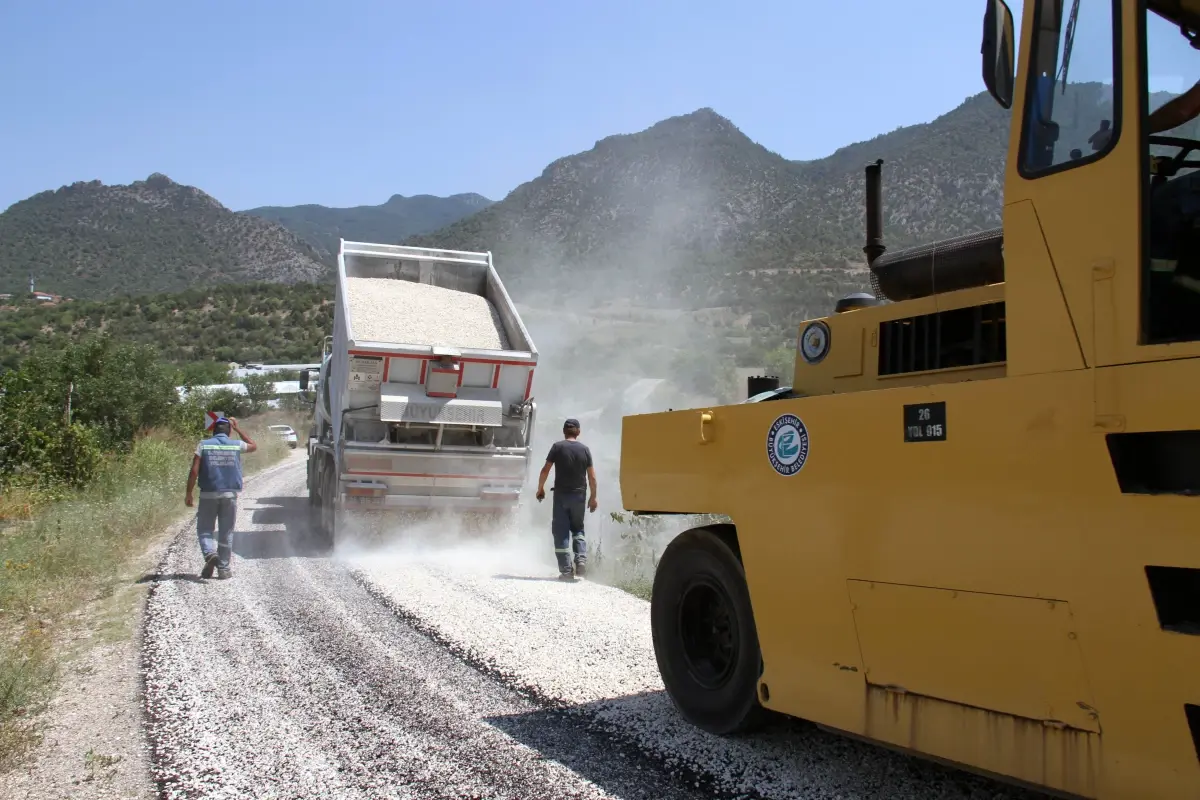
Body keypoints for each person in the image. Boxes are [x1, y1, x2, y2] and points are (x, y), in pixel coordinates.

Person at [185, 417, 256, 580]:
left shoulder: (204, 444)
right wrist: (238, 429)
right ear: (229, 431)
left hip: (208, 494)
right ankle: (223, 569)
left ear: (213, 431)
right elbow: (253, 446)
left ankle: (210, 554)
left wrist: (188, 493)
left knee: (204, 529)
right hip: (229, 495)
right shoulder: (236, 445)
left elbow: (194, 471)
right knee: (226, 532)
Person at [535, 418, 598, 581]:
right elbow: (591, 476)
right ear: (578, 432)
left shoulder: (557, 447)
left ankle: (566, 571)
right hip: (579, 496)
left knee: (561, 531)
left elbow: (545, 470)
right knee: (578, 529)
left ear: (564, 431)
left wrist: (540, 488)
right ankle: (581, 560)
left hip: (561, 496)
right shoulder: (585, 450)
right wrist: (593, 497)